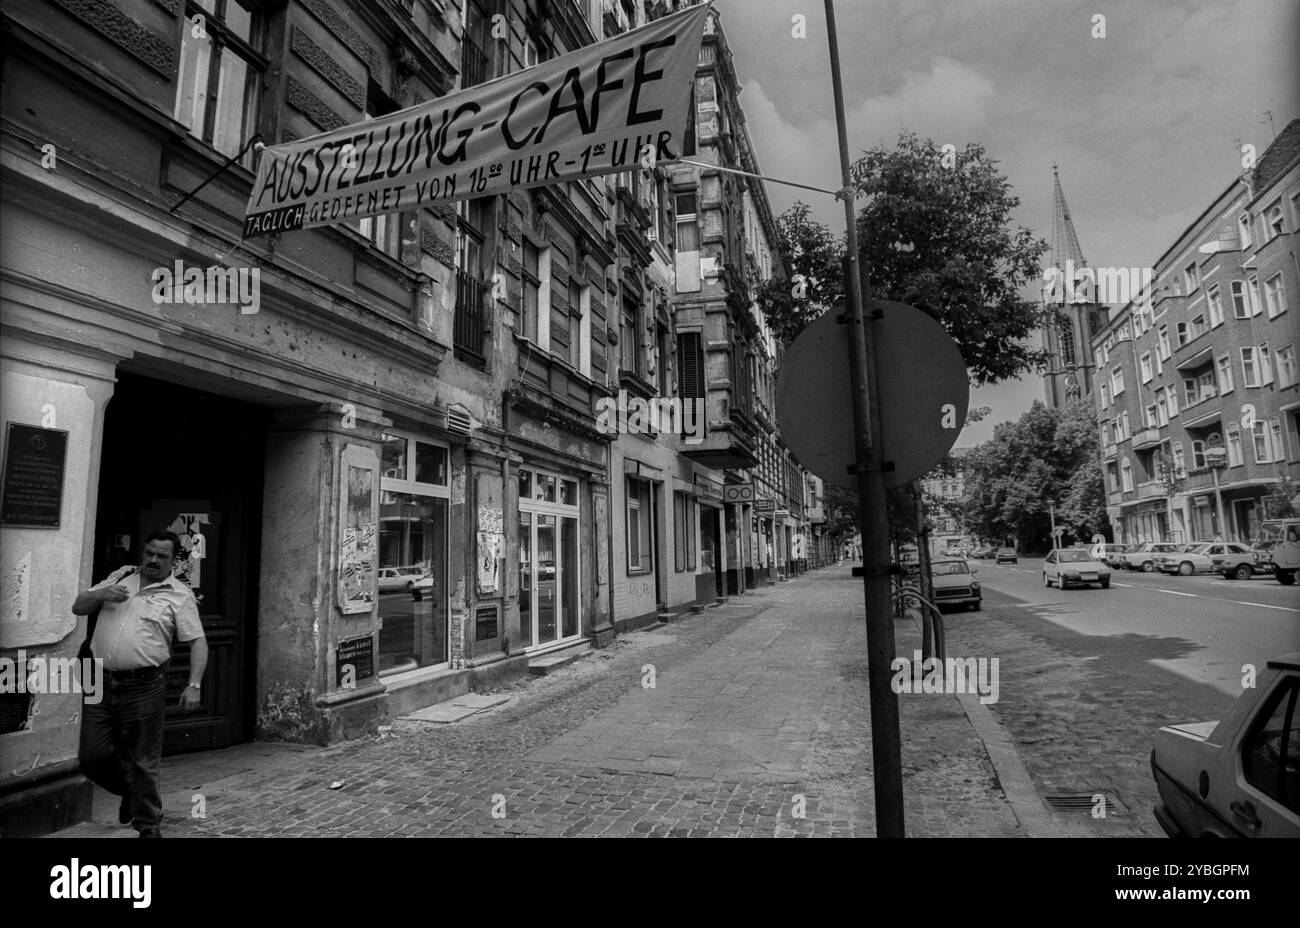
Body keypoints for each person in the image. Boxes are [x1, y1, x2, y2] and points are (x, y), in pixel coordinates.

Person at [73, 530, 207, 837]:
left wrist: (194, 684)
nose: (153, 560)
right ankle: (130, 793)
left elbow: (198, 642)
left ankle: (148, 826)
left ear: (173, 561)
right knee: (91, 756)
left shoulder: (179, 595)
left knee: (143, 760)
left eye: (161, 556)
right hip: (98, 680)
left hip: (144, 685)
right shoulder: (120, 577)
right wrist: (101, 595)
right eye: (149, 553)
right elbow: (79, 607)